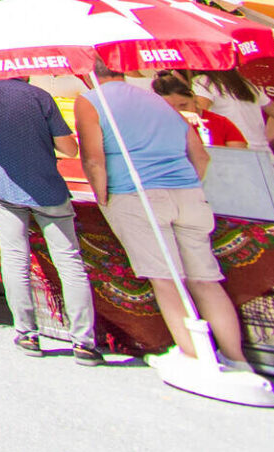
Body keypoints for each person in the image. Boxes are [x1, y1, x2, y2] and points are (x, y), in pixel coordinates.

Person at [75, 59, 246, 368]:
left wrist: (103, 198)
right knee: (205, 279)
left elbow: (93, 160)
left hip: (136, 194)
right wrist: (188, 184)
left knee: (167, 280)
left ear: (87, 73)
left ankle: (193, 357)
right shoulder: (158, 101)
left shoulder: (90, 101)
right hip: (188, 193)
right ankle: (236, 358)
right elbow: (200, 156)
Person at [0, 70, 98, 361]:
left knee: (15, 257)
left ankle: (26, 333)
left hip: (1, 184)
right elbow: (69, 149)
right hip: (47, 187)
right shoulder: (39, 96)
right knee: (69, 261)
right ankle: (84, 341)